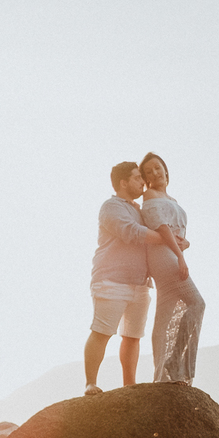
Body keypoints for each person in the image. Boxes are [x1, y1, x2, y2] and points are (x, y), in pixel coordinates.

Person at [84, 161, 166, 396]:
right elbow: (131, 232)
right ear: (123, 182)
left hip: (140, 284)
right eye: (137, 177)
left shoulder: (141, 210)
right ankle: (90, 383)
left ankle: (128, 387)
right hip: (111, 281)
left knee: (132, 337)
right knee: (101, 332)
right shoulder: (111, 207)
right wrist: (166, 239)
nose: (143, 181)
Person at [139, 152, 205, 384]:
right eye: (149, 171)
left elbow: (176, 233)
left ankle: (161, 375)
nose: (155, 173)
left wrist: (185, 244)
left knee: (164, 317)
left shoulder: (172, 200)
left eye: (158, 168)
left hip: (170, 254)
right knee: (197, 303)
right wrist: (180, 256)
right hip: (164, 257)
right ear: (145, 179)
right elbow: (161, 227)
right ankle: (174, 364)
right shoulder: (149, 195)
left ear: (166, 170)